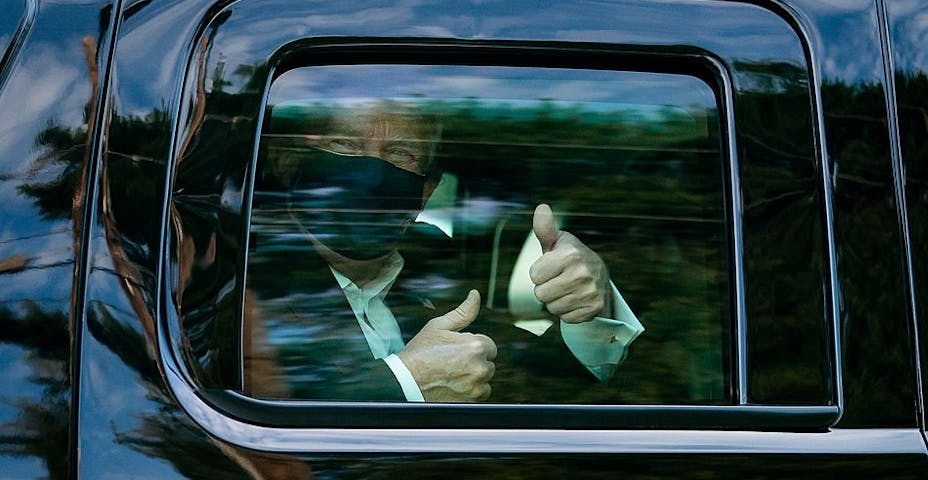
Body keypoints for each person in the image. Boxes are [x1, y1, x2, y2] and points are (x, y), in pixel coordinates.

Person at [244, 100, 643, 402]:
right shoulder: (240, 274)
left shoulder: (445, 267)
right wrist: (405, 385)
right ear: (287, 162)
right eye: (345, 144)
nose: (369, 173)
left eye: (400, 154)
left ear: (426, 190)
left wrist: (591, 310)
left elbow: (546, 392)